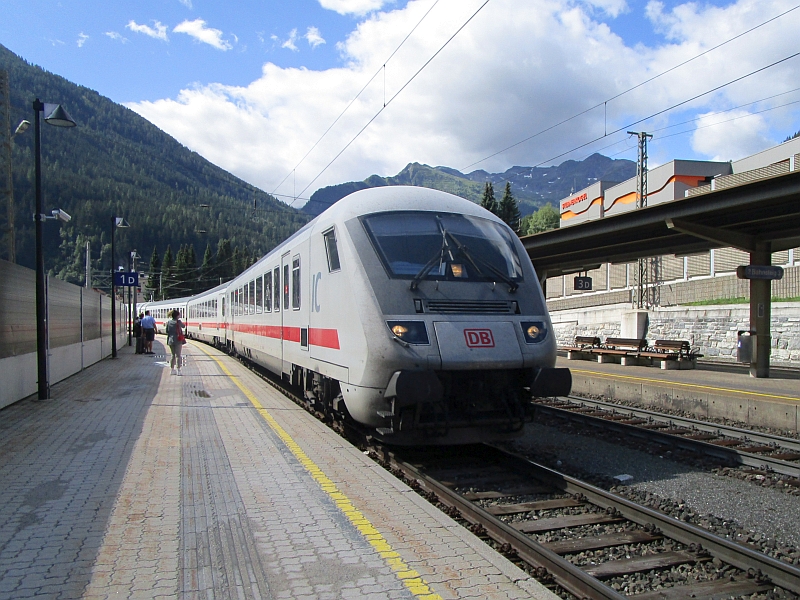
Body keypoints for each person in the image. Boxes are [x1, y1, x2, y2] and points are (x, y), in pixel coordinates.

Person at [164, 309, 185, 375]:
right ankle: (178, 370)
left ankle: (172, 370)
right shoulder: (178, 322)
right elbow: (183, 326)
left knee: (173, 355)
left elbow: (167, 331)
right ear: (177, 316)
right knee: (178, 355)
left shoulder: (169, 322)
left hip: (170, 340)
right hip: (178, 340)